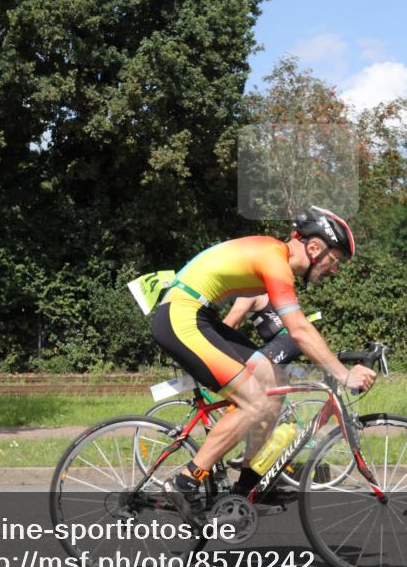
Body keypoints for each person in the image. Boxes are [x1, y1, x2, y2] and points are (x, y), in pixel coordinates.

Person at [151, 206, 376, 522]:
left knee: (274, 385)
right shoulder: (274, 258)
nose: (334, 269)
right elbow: (297, 329)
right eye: (335, 259)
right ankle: (185, 480)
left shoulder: (273, 257)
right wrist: (343, 373)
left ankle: (244, 491)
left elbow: (295, 333)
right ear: (314, 247)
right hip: (182, 317)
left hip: (201, 317)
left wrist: (336, 360)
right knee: (254, 402)